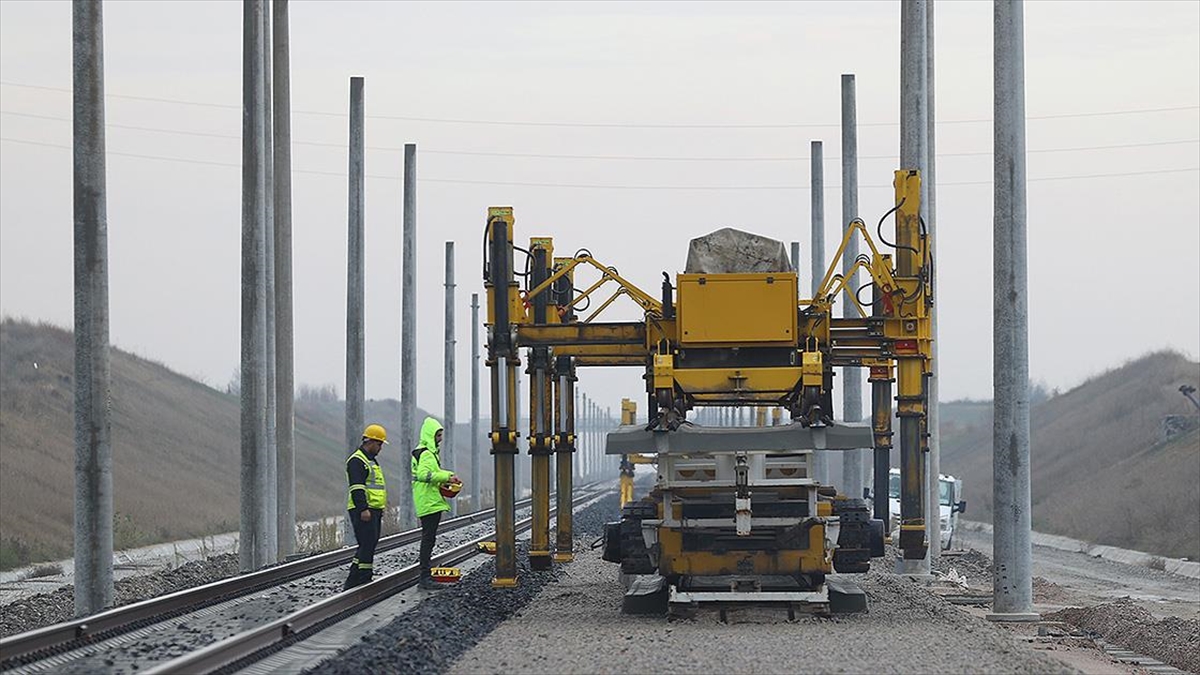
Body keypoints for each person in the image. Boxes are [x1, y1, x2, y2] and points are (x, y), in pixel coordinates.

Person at [411, 416, 461, 590]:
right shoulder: (426, 454)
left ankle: (425, 574)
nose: (440, 438)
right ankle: (424, 577)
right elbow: (424, 475)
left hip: (429, 500)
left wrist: (449, 475)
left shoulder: (427, 453)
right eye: (438, 435)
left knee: (429, 538)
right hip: (428, 501)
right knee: (428, 538)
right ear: (430, 435)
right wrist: (447, 477)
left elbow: (434, 472)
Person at [343, 423, 389, 591]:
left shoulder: (371, 460)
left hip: (372, 510)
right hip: (362, 510)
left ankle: (353, 580)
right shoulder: (357, 461)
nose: (380, 448)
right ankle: (364, 580)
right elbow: (357, 487)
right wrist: (363, 509)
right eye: (379, 444)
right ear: (370, 442)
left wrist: (378, 508)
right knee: (368, 544)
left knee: (367, 544)